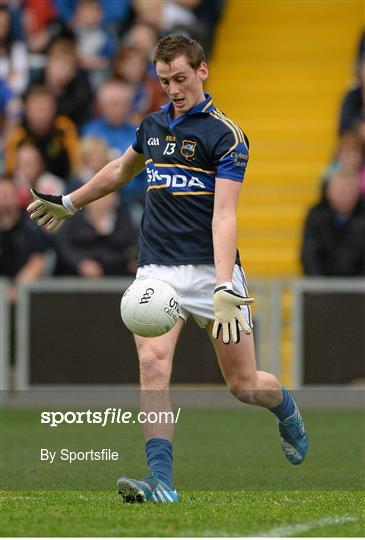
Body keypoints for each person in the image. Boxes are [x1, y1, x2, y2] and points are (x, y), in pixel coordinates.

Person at [27, 35, 308, 503]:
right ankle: (161, 483)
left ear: (202, 72)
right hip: (156, 269)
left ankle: (286, 410)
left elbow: (224, 215)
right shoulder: (153, 126)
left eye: (180, 78)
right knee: (152, 366)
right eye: (163, 81)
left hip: (211, 274)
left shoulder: (226, 136)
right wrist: (71, 203)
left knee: (243, 385)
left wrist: (222, 283)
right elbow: (120, 170)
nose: (173, 89)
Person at [5, 85, 80, 180]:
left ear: (53, 109)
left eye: (44, 108)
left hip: (62, 183)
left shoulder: (64, 128)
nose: (40, 115)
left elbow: (76, 163)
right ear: (27, 110)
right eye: (36, 109)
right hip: (26, 185)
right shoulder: (18, 133)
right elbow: (10, 170)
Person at [301, 169, 365, 276]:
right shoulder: (316, 215)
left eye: (349, 191)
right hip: (322, 288)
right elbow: (309, 254)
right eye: (341, 192)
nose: (345, 196)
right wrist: (320, 286)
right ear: (329, 192)